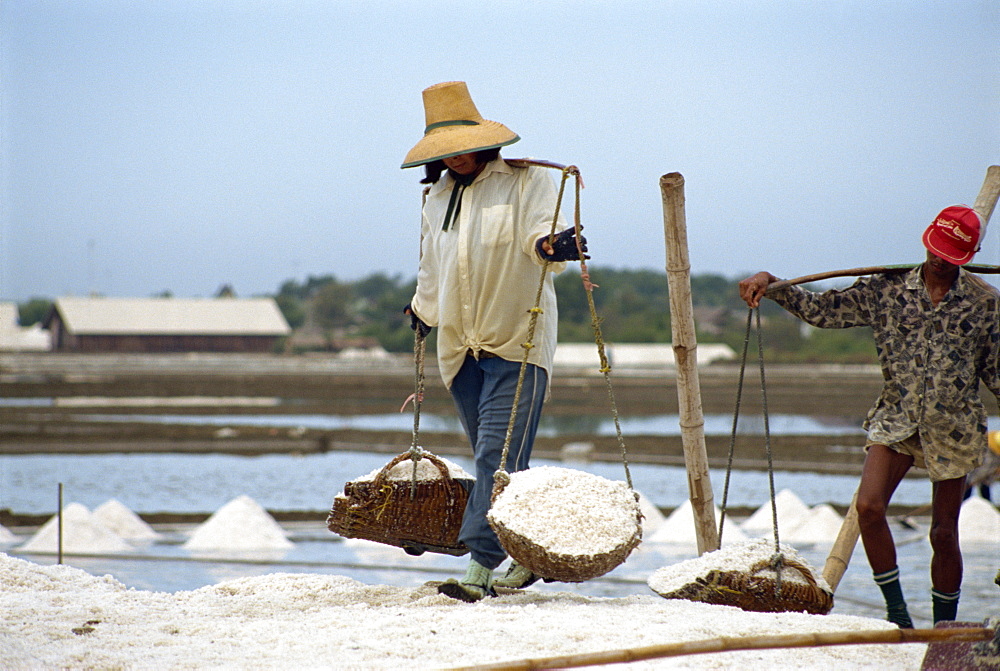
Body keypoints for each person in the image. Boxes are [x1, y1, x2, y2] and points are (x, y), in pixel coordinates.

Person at [738, 205, 1000, 628]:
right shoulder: (887, 289)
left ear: (969, 255)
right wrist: (774, 284)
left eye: (951, 254)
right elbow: (823, 311)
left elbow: (996, 372)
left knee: (944, 533)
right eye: (936, 249)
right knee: (869, 507)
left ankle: (943, 627)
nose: (939, 260)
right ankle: (899, 616)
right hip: (896, 417)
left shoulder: (984, 303)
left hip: (953, 427)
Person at [400, 81, 586, 602]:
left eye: (463, 148)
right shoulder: (435, 198)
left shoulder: (526, 184)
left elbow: (538, 239)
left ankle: (480, 566)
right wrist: (421, 310)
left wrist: (554, 244)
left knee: (493, 457)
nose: (456, 160)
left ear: (484, 142)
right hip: (459, 346)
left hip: (516, 340)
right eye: (445, 153)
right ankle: (529, 557)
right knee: (507, 463)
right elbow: (432, 266)